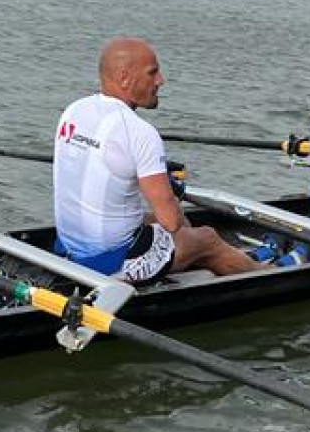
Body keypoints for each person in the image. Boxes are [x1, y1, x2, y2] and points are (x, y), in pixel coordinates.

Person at [52, 38, 262, 282]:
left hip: (67, 248)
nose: (161, 81)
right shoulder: (139, 132)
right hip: (112, 262)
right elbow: (170, 222)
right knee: (207, 237)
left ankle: (200, 258)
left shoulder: (74, 110)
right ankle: (268, 274)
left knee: (175, 224)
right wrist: (166, 187)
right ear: (124, 77)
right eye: (152, 73)